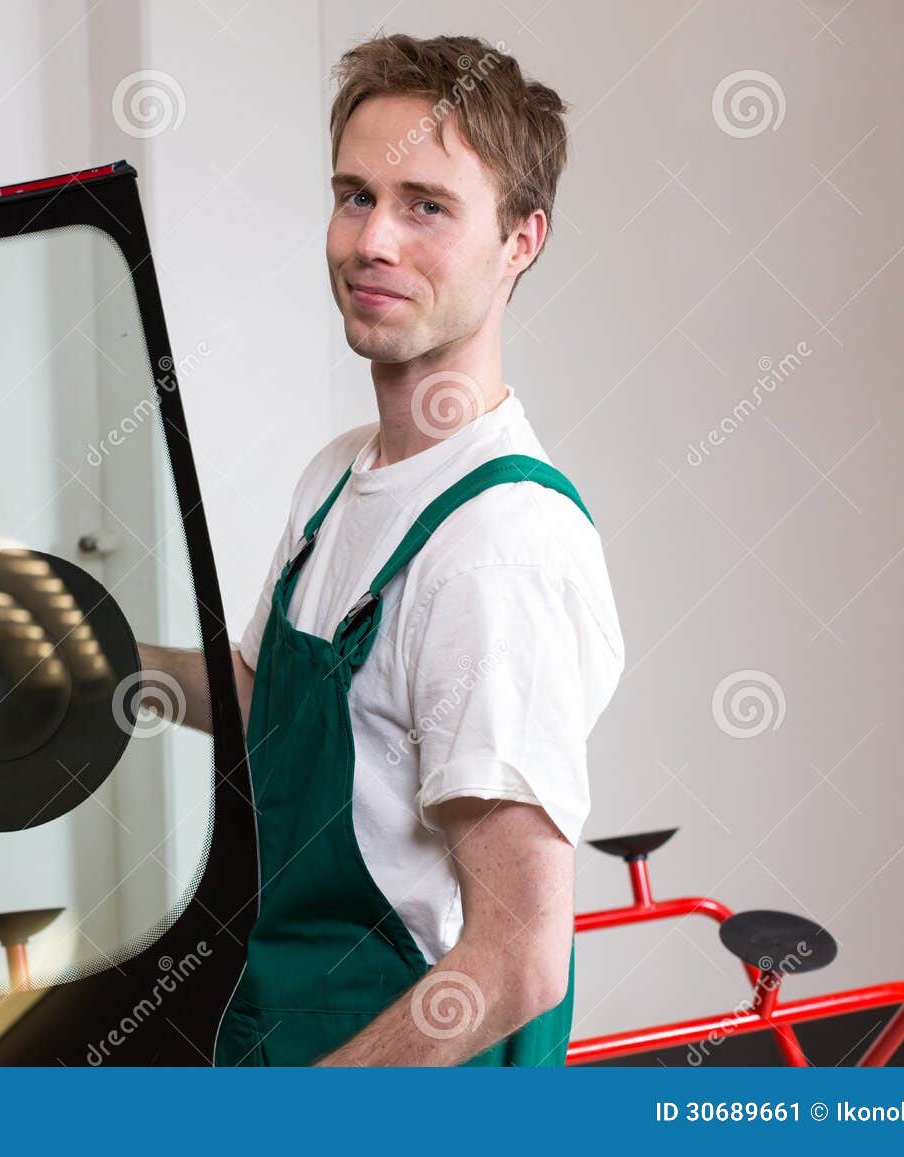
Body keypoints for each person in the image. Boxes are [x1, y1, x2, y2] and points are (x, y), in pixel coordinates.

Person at [140, 32, 623, 1066]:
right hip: (274, 1027)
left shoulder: (495, 548)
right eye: (355, 195)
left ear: (520, 239)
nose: (373, 241)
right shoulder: (339, 477)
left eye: (426, 205)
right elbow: (263, 691)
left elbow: (517, 956)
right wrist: (96, 674)